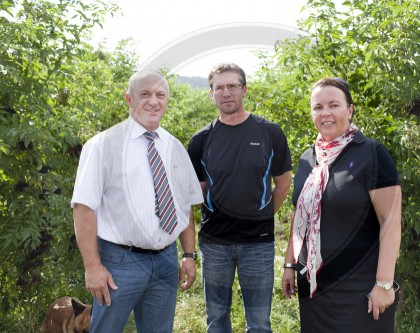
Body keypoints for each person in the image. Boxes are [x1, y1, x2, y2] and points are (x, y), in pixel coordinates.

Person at [71, 70, 204, 333]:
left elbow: (184, 205)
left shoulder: (175, 147)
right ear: (129, 99)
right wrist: (93, 267)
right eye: (145, 94)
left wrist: (188, 255)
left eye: (160, 95)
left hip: (166, 261)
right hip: (119, 263)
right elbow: (83, 208)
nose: (153, 101)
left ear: (167, 100)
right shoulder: (102, 145)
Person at [282, 77, 402, 332]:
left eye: (333, 105)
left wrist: (384, 284)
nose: (325, 113)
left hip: (360, 290)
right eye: (318, 107)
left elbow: (390, 222)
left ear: (350, 109)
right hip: (313, 288)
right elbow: (299, 216)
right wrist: (290, 265)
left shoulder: (372, 154)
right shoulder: (308, 158)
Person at [187, 63, 292, 332]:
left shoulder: (270, 133)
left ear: (244, 90)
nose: (226, 92)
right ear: (210, 94)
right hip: (214, 243)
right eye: (218, 87)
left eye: (232, 86)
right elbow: (195, 192)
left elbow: (282, 184)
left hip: (257, 243)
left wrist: (263, 213)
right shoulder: (201, 139)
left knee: (259, 323)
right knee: (216, 321)